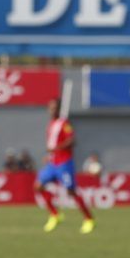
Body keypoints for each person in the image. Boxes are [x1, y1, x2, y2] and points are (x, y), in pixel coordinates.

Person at [35, 98, 95, 234]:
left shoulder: (64, 123)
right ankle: (55, 214)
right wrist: (50, 155)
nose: (52, 110)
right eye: (50, 107)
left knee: (71, 191)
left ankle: (89, 219)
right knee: (38, 186)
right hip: (52, 163)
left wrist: (57, 148)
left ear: (59, 109)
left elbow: (72, 140)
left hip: (64, 163)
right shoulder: (51, 124)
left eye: (54, 107)